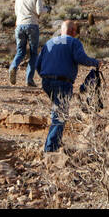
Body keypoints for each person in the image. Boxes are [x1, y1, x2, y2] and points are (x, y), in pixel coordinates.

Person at [34, 20, 100, 153]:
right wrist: (95, 62)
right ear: (73, 32)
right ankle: (51, 149)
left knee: (57, 112)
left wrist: (46, 76)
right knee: (60, 115)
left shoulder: (49, 42)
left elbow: (37, 65)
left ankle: (54, 142)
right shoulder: (74, 42)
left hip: (46, 82)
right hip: (63, 82)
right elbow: (80, 58)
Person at [9, 0, 45, 87]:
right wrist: (47, 9)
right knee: (34, 53)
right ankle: (29, 79)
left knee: (21, 51)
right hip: (32, 25)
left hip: (19, 25)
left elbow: (16, 11)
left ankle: (13, 66)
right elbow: (39, 11)